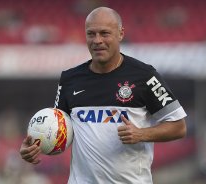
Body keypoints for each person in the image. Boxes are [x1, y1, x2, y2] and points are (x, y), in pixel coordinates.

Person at [20, 7, 187, 184]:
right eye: (91, 34)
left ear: (120, 33)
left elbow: (178, 126)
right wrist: (35, 147)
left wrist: (141, 134)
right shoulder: (69, 79)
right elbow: (59, 132)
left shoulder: (144, 76)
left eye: (104, 33)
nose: (97, 40)